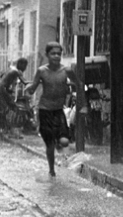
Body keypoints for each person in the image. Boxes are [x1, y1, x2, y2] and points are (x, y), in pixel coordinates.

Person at [25, 42, 87, 177]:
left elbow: (79, 84)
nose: (56, 56)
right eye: (53, 53)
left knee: (64, 141)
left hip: (58, 111)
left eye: (59, 54)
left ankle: (58, 142)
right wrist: (28, 89)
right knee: (49, 145)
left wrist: (83, 104)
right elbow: (34, 87)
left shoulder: (67, 71)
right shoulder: (42, 71)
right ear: (47, 55)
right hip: (44, 110)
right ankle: (51, 169)